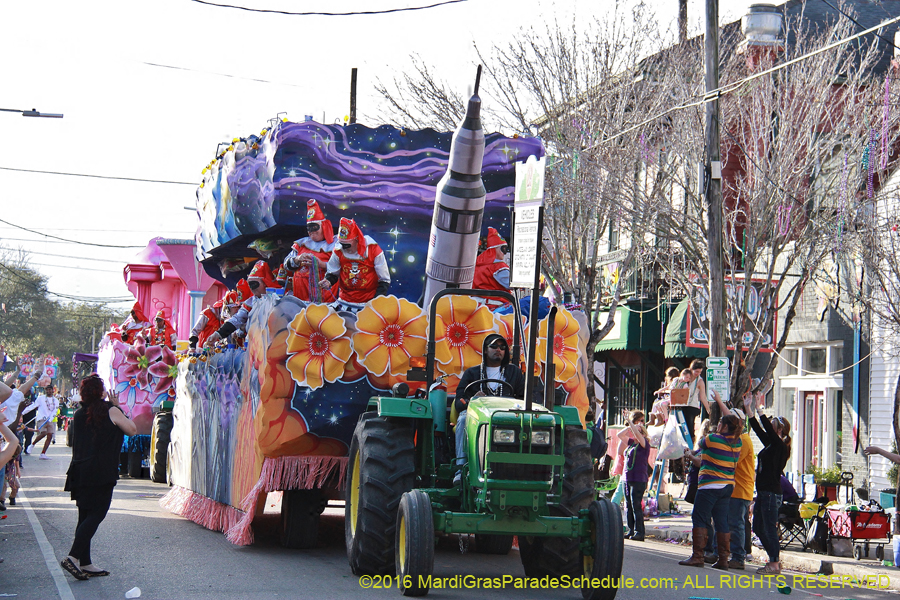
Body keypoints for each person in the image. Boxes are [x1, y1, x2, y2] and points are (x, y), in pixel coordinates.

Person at [61, 375, 137, 580]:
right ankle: (74, 557)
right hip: (101, 471)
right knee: (97, 514)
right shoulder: (111, 411)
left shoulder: (77, 414)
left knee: (84, 515)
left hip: (80, 470)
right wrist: (117, 406)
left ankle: (85, 563)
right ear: (101, 392)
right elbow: (132, 430)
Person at [452, 333, 525, 485]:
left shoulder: (514, 373)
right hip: (477, 418)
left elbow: (524, 397)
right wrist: (472, 400)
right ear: (485, 350)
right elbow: (459, 401)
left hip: (507, 416)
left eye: (502, 347)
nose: (498, 349)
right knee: (464, 418)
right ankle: (460, 468)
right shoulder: (472, 373)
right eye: (494, 346)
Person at [678, 403, 742, 569]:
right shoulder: (737, 442)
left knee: (699, 517)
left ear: (725, 426)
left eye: (721, 423)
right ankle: (723, 559)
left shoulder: (713, 439)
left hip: (710, 484)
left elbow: (701, 444)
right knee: (721, 521)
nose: (717, 425)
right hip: (727, 485)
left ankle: (698, 555)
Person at [703, 392, 755, 570]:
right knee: (721, 521)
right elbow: (730, 416)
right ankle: (719, 553)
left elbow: (730, 461)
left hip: (740, 490)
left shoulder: (744, 441)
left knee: (735, 524)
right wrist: (719, 400)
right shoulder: (735, 437)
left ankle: (738, 557)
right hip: (728, 488)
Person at [744, 393, 791, 575]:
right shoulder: (771, 446)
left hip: (771, 493)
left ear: (779, 431)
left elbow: (765, 429)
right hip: (764, 492)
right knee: (757, 527)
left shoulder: (780, 447)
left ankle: (774, 563)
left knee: (769, 527)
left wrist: (759, 409)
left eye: (772, 427)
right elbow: (757, 428)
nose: (770, 429)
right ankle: (773, 559)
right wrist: (749, 409)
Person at [321, 217, 390, 312]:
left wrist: (375, 303)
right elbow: (332, 273)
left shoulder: (372, 249)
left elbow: (384, 280)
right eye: (341, 244)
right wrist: (328, 281)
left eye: (347, 245)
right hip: (344, 302)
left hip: (367, 304)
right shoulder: (338, 250)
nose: (343, 248)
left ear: (357, 239)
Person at [283, 199, 339, 302]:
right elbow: (286, 264)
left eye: (314, 227)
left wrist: (322, 264)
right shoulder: (301, 244)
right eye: (309, 228)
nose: (311, 231)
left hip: (323, 300)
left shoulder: (336, 245)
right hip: (300, 299)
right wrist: (297, 259)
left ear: (324, 226)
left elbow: (343, 267)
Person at [206, 269, 269, 347]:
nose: (253, 288)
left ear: (265, 283)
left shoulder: (276, 299)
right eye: (250, 284)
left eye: (254, 284)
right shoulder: (251, 302)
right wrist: (217, 334)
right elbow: (237, 319)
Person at [617, 409, 650, 541]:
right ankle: (631, 530)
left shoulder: (644, 444)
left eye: (639, 432)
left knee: (636, 505)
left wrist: (633, 424)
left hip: (638, 479)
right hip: (627, 478)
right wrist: (629, 426)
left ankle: (639, 532)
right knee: (628, 506)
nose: (636, 434)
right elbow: (620, 435)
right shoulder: (631, 443)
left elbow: (639, 435)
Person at [473, 227, 510, 307]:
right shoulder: (498, 267)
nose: (505, 252)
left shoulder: (477, 264)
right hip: (497, 307)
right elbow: (512, 284)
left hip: (477, 305)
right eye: (503, 248)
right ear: (495, 249)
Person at [23, 384, 60, 460]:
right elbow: (33, 406)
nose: (48, 391)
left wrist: (50, 419)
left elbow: (55, 411)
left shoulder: (56, 400)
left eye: (50, 389)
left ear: (53, 390)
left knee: (50, 435)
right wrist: (22, 413)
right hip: (41, 419)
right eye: (47, 389)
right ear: (45, 390)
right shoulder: (41, 398)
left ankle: (43, 453)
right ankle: (32, 444)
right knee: (43, 433)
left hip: (50, 420)